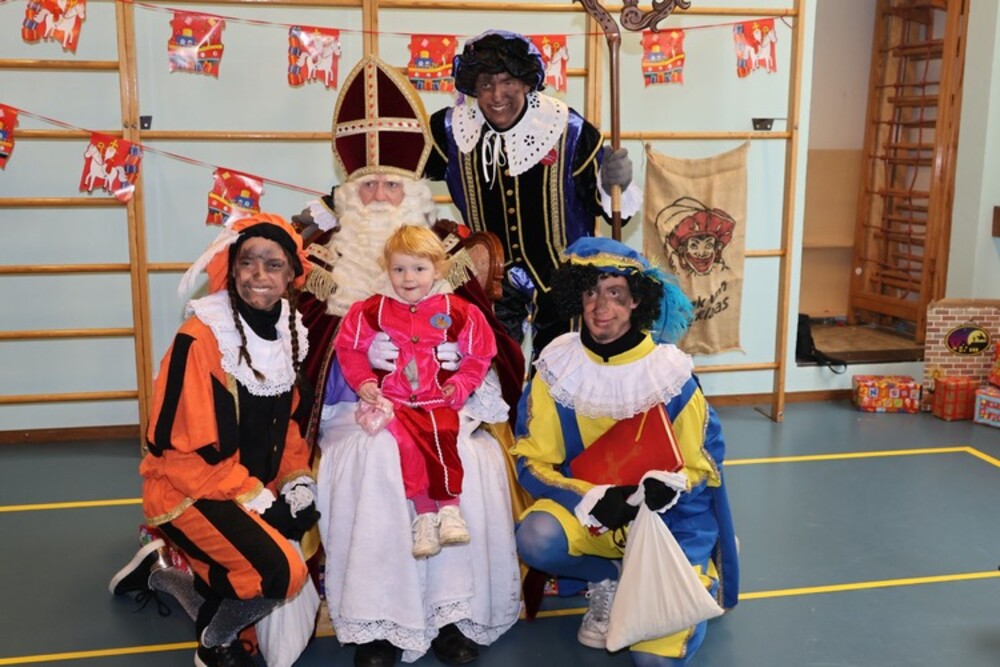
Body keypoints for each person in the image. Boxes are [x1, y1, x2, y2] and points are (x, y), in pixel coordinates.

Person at [299, 55, 522, 667]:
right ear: (349, 193)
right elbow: (302, 351)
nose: (378, 196)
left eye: (391, 185)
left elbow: (489, 340)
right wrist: (357, 366)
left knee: (468, 462)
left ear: (413, 193)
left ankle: (452, 615)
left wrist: (459, 369)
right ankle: (379, 623)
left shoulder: (446, 247)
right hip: (358, 409)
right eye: (367, 185)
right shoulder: (321, 257)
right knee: (375, 463)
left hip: (443, 403)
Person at [511, 237, 740, 666]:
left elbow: (702, 467)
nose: (601, 307)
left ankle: (694, 571)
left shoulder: (670, 374)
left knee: (651, 661)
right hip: (593, 517)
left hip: (668, 524)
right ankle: (609, 577)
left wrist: (668, 487)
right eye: (591, 292)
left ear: (636, 300)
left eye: (615, 293)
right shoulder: (557, 367)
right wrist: (592, 497)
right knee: (535, 536)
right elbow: (532, 462)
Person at [109, 212, 321, 667]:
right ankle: (214, 642)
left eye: (274, 264)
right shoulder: (201, 338)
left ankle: (161, 572)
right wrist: (261, 502)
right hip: (187, 489)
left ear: (291, 274)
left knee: (264, 570)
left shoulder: (288, 330)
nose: (259, 275)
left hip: (243, 486)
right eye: (248, 262)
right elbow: (183, 455)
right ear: (231, 268)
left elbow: (284, 426)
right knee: (281, 574)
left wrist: (296, 483)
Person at [424, 30, 642, 358]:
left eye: (508, 82)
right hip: (487, 275)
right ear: (473, 88)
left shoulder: (569, 130)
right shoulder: (451, 131)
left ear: (527, 83)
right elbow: (403, 173)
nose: (497, 95)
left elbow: (610, 210)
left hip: (563, 276)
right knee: (489, 365)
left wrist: (616, 183)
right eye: (486, 84)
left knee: (562, 368)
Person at [334, 225, 497, 559]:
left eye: (419, 268)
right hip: (392, 401)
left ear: (437, 269)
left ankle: (449, 508)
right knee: (406, 445)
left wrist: (461, 383)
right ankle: (424, 515)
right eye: (399, 269)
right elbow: (349, 348)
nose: (408, 278)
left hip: (437, 398)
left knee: (444, 433)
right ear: (387, 269)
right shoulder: (372, 309)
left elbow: (480, 354)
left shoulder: (457, 310)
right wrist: (363, 380)